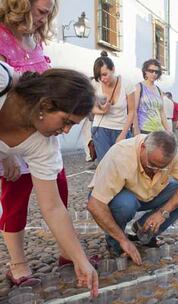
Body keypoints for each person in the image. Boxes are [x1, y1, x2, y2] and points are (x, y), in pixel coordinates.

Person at [0, 0, 82, 285]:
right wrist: (5, 154)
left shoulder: (35, 40)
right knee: (15, 201)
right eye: (40, 12)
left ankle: (67, 252)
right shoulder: (0, 36)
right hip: (9, 132)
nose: (43, 19)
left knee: (58, 191)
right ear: (20, 4)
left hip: (39, 130)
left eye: (48, 13)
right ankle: (18, 265)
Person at [0, 63, 98, 295]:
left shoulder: (44, 144)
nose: (66, 132)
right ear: (44, 105)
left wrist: (79, 259)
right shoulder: (2, 81)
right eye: (66, 122)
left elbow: (53, 207)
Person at [87, 131, 178, 260]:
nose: (156, 170)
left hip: (149, 194)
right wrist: (123, 240)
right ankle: (116, 244)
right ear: (143, 148)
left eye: (162, 168)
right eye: (152, 164)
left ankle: (145, 230)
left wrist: (163, 212)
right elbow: (95, 204)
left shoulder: (171, 154)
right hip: (120, 197)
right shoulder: (120, 155)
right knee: (126, 204)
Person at [91, 51, 135, 161]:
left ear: (113, 69)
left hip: (121, 128)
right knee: (105, 166)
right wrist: (101, 110)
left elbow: (132, 111)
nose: (102, 79)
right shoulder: (95, 84)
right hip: (101, 129)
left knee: (124, 165)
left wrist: (123, 134)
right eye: (99, 76)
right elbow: (88, 106)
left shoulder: (127, 84)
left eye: (105, 74)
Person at [134, 59, 170, 135]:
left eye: (156, 72)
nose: (154, 74)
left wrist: (168, 130)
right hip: (144, 129)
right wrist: (136, 130)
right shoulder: (139, 87)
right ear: (145, 72)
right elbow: (134, 110)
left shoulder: (159, 90)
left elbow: (162, 112)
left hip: (158, 131)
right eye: (151, 71)